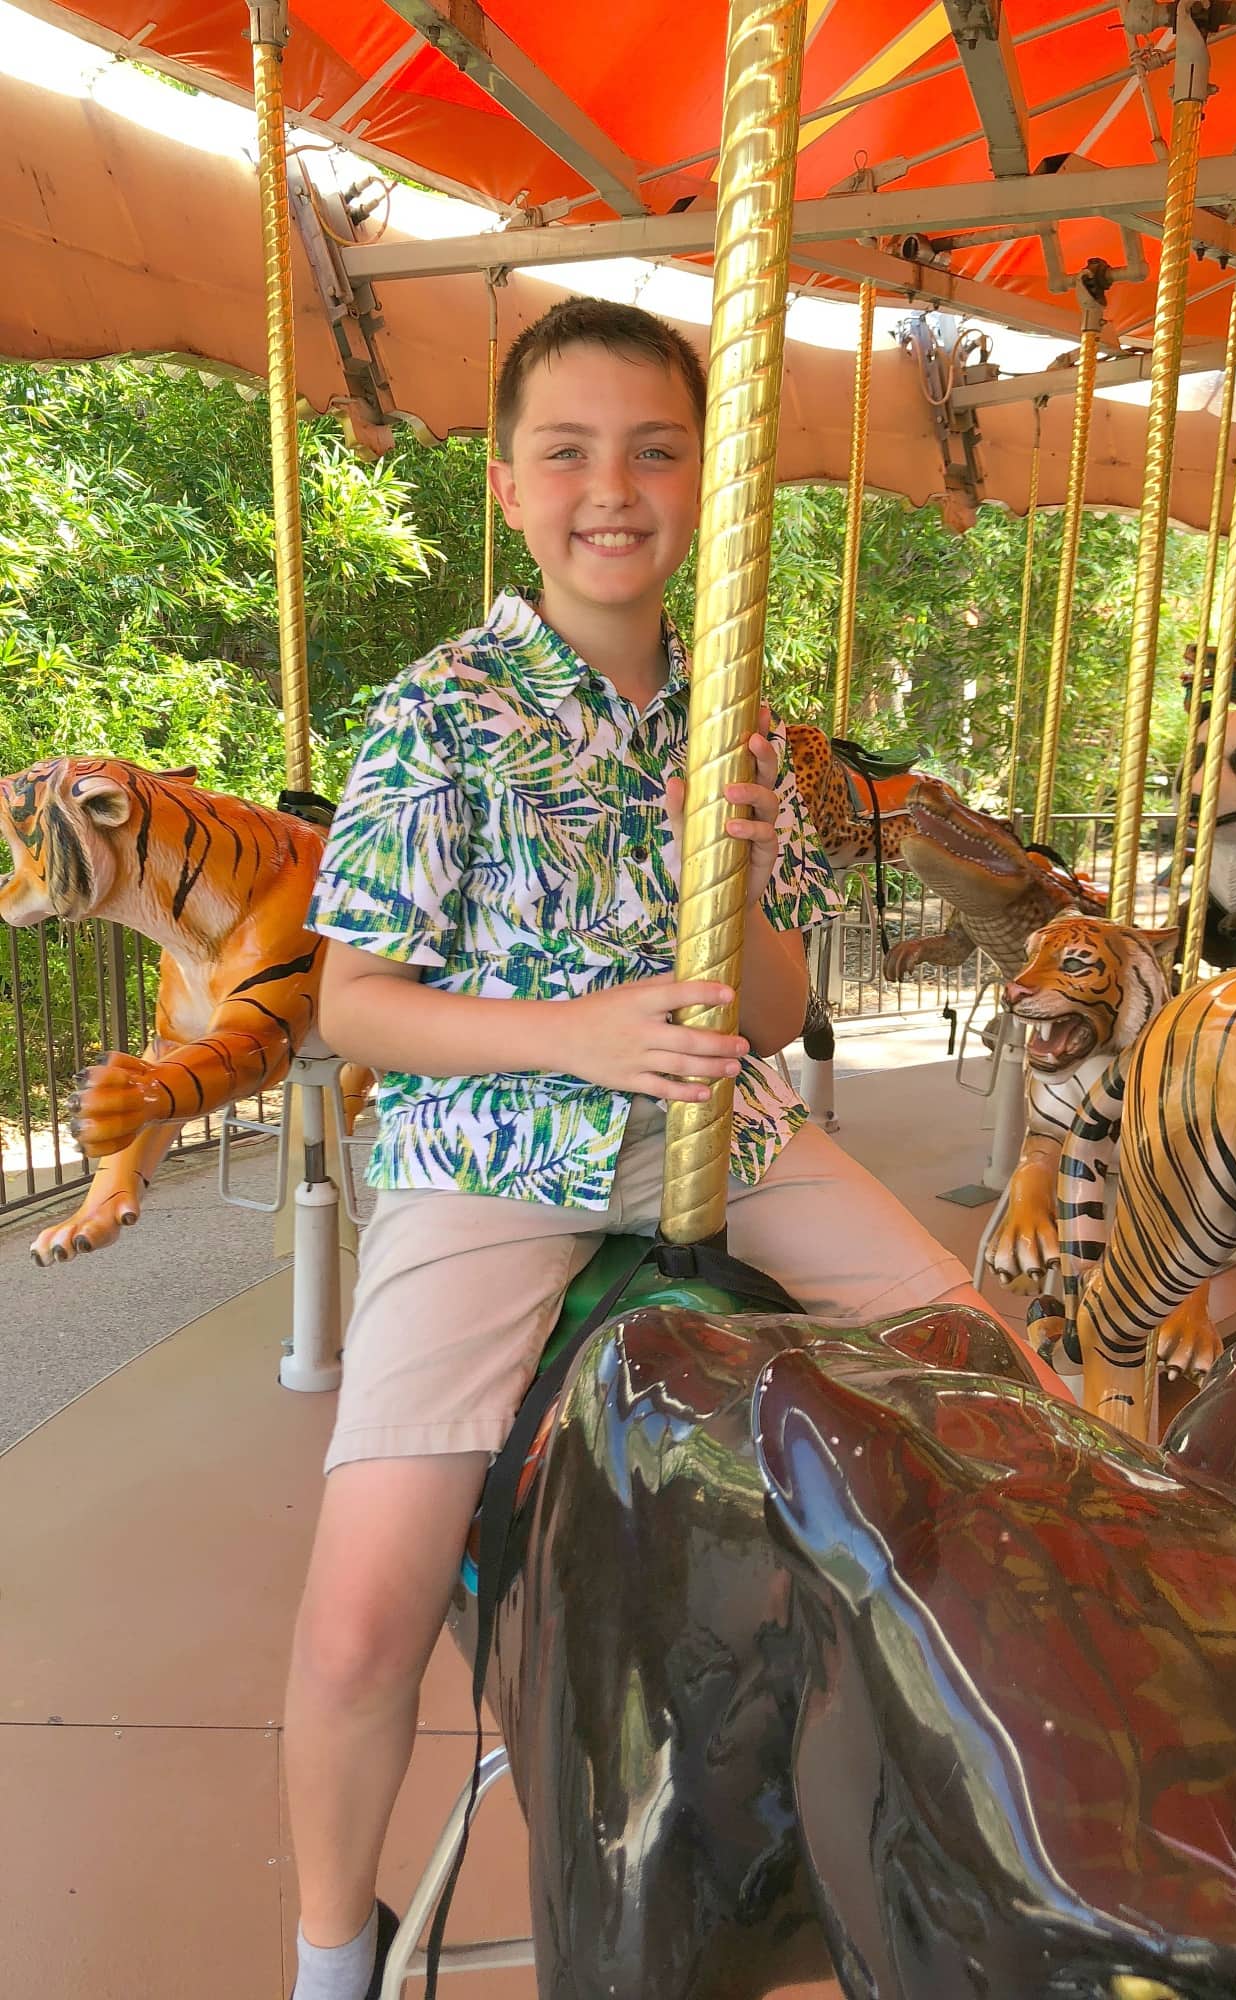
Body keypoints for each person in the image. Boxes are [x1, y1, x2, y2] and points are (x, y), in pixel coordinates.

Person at [284, 296, 1053, 2000]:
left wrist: (747, 853)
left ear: (701, 482)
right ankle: (328, 1951)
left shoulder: (742, 727)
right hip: (495, 1152)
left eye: (652, 449)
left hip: (726, 1126)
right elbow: (356, 1004)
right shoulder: (442, 713)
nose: (610, 487)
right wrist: (578, 1029)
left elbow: (771, 1005)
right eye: (567, 452)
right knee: (362, 1613)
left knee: (1000, 1377)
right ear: (507, 485)